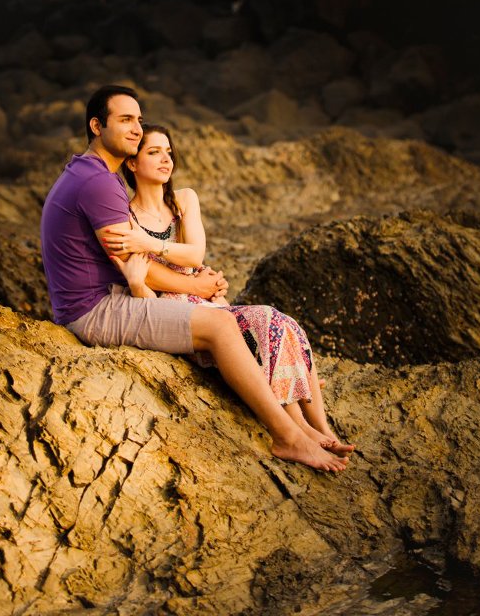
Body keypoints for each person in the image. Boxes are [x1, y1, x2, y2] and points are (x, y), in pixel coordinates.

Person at [41, 84, 350, 473]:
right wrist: (197, 286)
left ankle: (306, 427)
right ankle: (287, 437)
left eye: (139, 120)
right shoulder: (98, 182)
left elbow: (144, 258)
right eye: (125, 120)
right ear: (96, 126)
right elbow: (133, 261)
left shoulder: (96, 175)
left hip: (103, 298)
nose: (136, 128)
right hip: (95, 309)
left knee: (246, 321)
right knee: (219, 325)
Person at [113, 123, 352, 455]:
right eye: (154, 152)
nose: (166, 159)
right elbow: (149, 276)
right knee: (268, 320)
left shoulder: (183, 200)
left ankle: (322, 429)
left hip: (210, 301)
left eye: (168, 152)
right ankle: (299, 428)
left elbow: (195, 255)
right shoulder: (126, 216)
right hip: (181, 313)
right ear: (132, 163)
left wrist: (153, 245)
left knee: (287, 325)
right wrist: (192, 280)